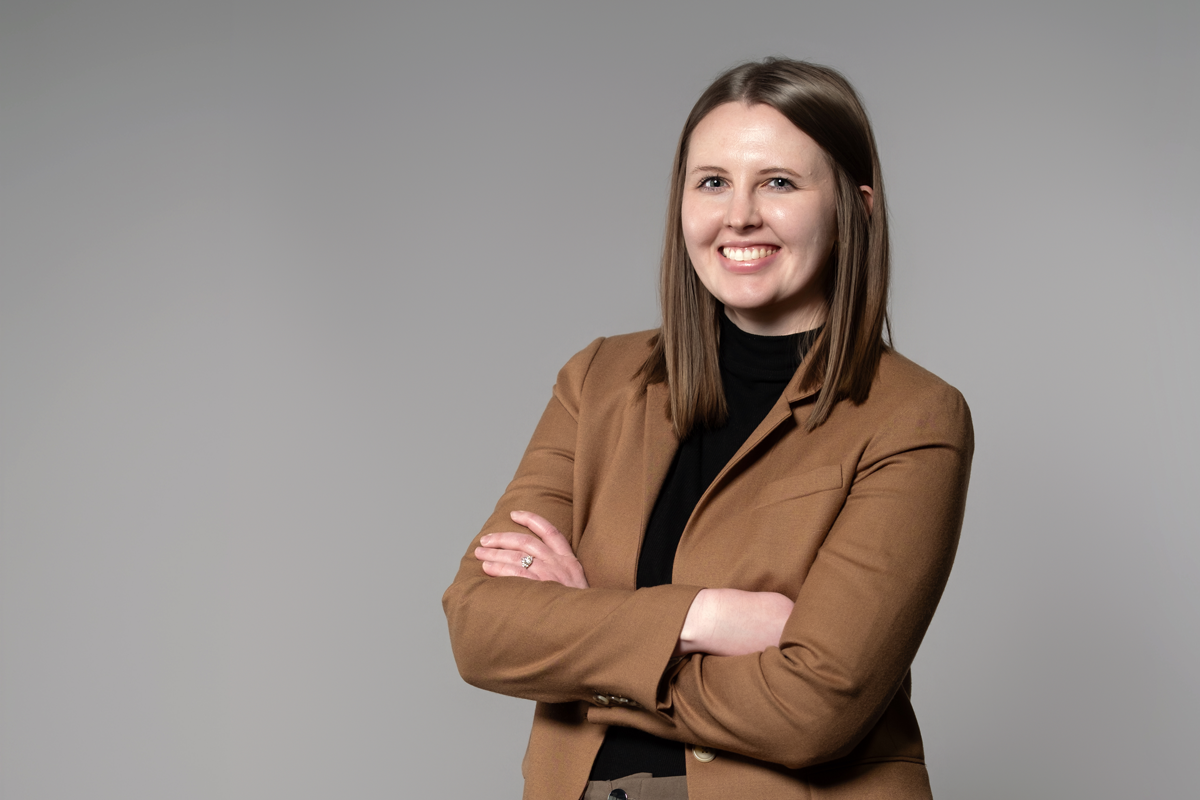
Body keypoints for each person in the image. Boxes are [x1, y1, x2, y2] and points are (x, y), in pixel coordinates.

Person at [443, 57, 973, 800]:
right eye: (713, 181)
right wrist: (708, 615)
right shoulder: (598, 380)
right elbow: (480, 625)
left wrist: (588, 633)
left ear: (856, 205)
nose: (739, 215)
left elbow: (816, 708)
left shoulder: (914, 417)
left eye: (779, 183)